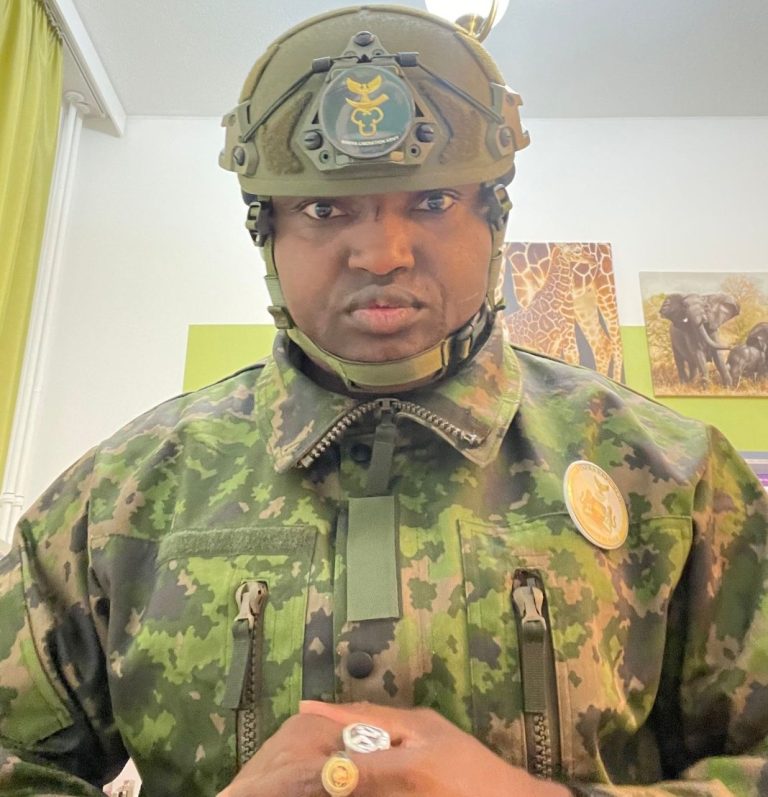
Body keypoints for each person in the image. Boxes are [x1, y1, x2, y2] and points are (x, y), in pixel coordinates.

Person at [1, 5, 767, 796]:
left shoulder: (669, 475)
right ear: (268, 232)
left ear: (493, 218)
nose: (382, 253)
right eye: (325, 209)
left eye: (433, 202)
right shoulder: (125, 495)